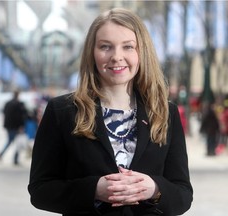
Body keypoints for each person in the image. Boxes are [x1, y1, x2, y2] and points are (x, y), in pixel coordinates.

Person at [28, 8, 193, 216]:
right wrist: (94, 190)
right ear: (92, 52)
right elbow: (40, 191)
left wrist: (154, 189)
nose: (117, 57)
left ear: (142, 52)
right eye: (106, 47)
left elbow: (184, 194)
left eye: (128, 47)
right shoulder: (63, 112)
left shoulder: (165, 112)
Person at [0, 90, 27, 165]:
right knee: (16, 142)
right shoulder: (18, 104)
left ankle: (2, 154)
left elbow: (4, 113)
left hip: (8, 126)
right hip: (15, 126)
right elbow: (19, 117)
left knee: (11, 141)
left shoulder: (8, 103)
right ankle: (14, 159)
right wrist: (21, 126)